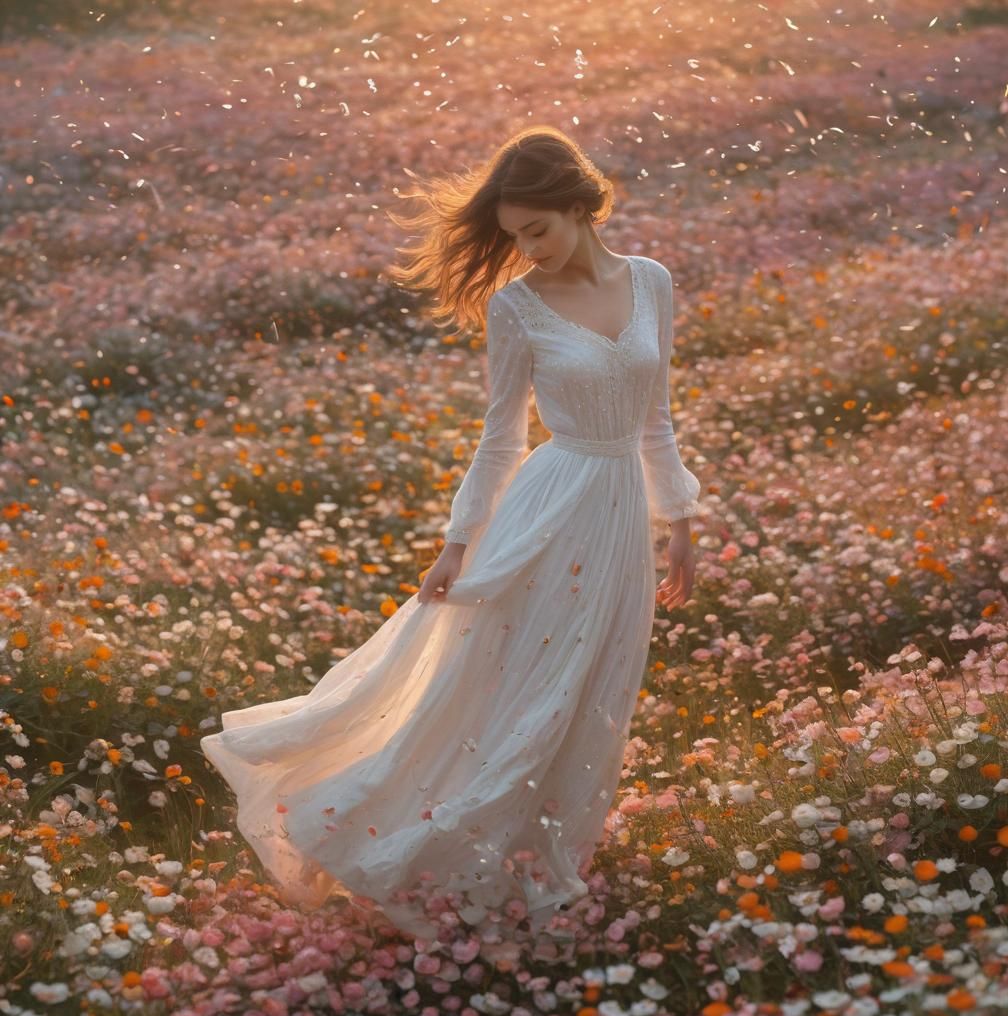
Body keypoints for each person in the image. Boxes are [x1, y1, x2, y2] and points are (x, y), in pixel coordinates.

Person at [199, 126, 701, 945]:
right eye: (514, 236)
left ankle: (540, 849)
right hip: (548, 509)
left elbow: (657, 418)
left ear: (579, 206)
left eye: (537, 229)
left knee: (593, 688)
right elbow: (501, 438)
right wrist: (460, 543)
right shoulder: (518, 306)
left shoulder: (650, 282)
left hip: (619, 519)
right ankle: (430, 845)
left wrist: (679, 522)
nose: (527, 249)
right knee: (511, 684)